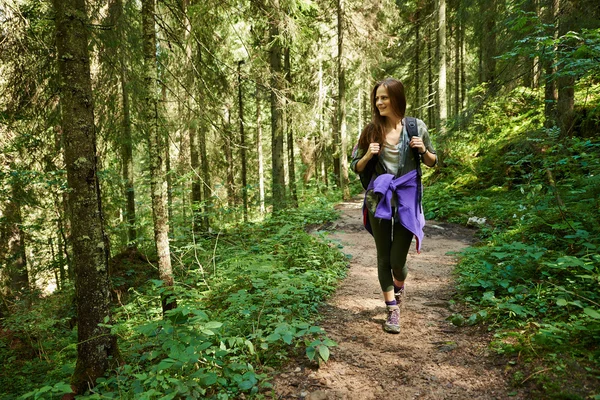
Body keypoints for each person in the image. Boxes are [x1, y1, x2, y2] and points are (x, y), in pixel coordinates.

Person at [350, 78, 437, 334]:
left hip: (407, 199)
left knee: (398, 260)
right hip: (378, 198)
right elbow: (355, 165)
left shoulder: (415, 127)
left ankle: (399, 286)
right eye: (377, 98)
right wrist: (368, 155)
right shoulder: (370, 131)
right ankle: (392, 309)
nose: (379, 103)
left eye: (384, 97)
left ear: (397, 98)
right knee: (383, 256)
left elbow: (433, 161)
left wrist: (422, 151)